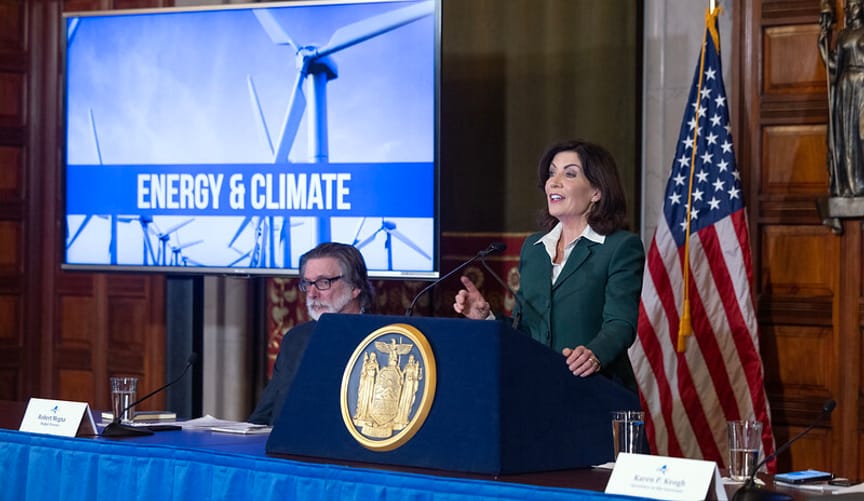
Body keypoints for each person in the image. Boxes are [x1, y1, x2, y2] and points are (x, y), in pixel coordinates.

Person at [453, 139, 645, 392]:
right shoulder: (534, 248)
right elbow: (527, 328)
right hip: (539, 389)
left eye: (569, 174)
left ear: (596, 191)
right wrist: (485, 317)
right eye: (551, 172)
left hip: (596, 389)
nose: (553, 182)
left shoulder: (620, 247)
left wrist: (594, 354)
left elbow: (621, 323)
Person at [248, 242, 374, 425]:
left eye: (324, 283)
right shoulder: (296, 339)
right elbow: (264, 415)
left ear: (355, 287)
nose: (312, 294)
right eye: (307, 283)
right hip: (283, 448)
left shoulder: (381, 339)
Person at [819, 0, 864, 196]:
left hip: (862, 86)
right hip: (846, 89)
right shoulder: (843, 34)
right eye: (848, 6)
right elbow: (834, 66)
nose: (850, 9)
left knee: (862, 136)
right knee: (847, 137)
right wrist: (822, 44)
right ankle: (849, 185)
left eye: (854, 5)